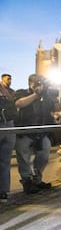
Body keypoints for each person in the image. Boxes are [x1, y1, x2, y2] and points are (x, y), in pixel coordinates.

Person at [14, 74, 60, 194]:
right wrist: (36, 94)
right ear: (30, 83)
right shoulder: (22, 92)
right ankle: (27, 181)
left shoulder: (46, 96)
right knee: (24, 158)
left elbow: (55, 109)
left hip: (41, 133)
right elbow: (19, 103)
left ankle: (37, 179)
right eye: (37, 83)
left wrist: (52, 95)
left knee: (44, 156)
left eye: (41, 83)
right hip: (24, 132)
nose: (39, 86)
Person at [0, 74, 18, 202]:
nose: (9, 81)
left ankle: (3, 191)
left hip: (8, 125)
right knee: (4, 161)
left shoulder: (11, 92)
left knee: (5, 160)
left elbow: (14, 105)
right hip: (7, 125)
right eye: (7, 79)